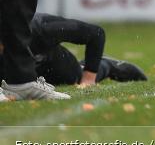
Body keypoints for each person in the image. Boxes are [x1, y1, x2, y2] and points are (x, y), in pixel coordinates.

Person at [0, 13, 147, 88]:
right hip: (27, 76)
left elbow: (96, 34)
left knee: (76, 76)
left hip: (62, 71)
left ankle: (105, 65)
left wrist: (88, 79)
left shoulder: (42, 28)